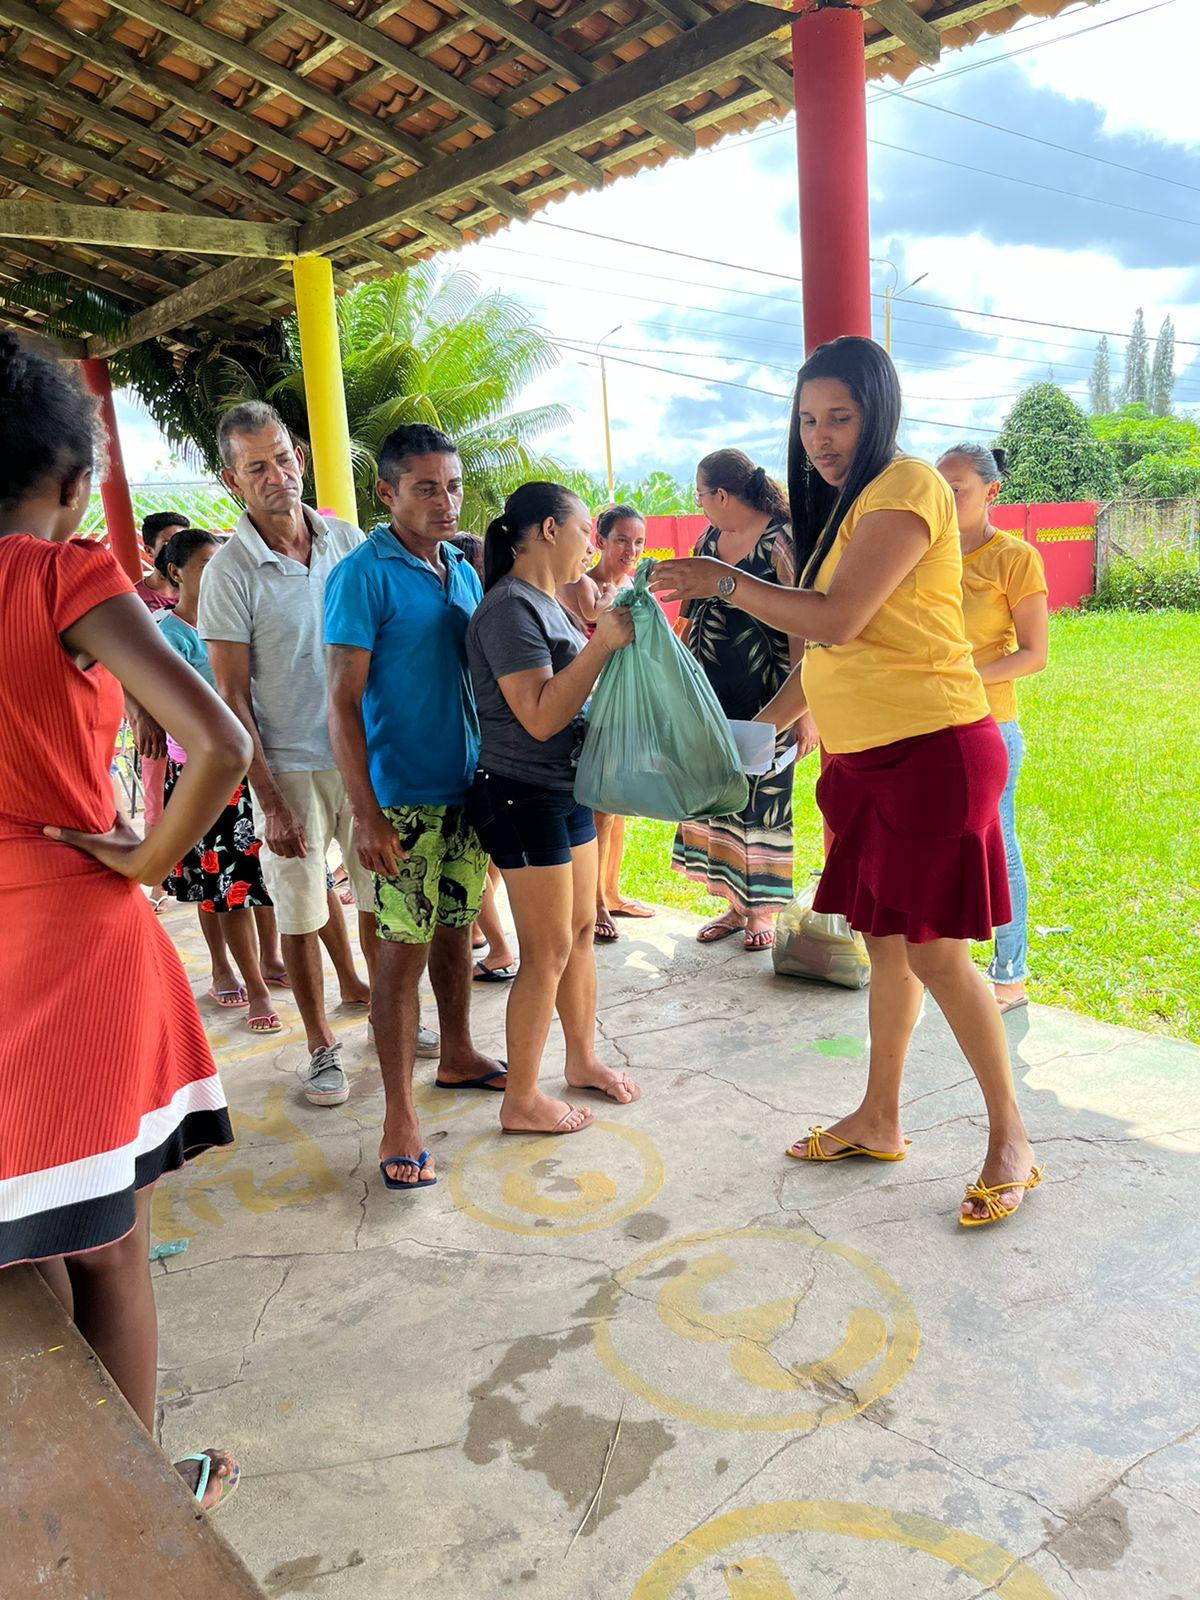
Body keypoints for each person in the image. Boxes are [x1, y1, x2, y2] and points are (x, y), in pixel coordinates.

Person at [652, 337, 1041, 1229]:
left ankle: (1012, 1138)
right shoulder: (850, 508)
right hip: (865, 760)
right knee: (890, 945)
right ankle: (880, 1116)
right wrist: (749, 737)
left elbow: (838, 615)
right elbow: (829, 651)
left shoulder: (909, 487)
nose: (821, 436)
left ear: (878, 414)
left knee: (938, 951)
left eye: (840, 416)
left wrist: (724, 581)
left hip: (935, 749)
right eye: (807, 419)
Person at [0, 331, 245, 1507]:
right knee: (110, 1247)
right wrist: (145, 857)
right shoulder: (62, 575)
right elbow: (221, 743)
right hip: (68, 940)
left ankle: (70, 1515)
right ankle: (147, 1504)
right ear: (64, 478)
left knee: (24, 1255)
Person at [326, 425, 507, 1191]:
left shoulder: (460, 570)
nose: (445, 501)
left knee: (459, 929)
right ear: (387, 492)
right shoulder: (362, 576)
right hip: (399, 801)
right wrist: (363, 815)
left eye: (454, 485)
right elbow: (340, 703)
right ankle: (399, 1115)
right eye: (426, 487)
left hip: (466, 789)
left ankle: (459, 1055)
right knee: (397, 956)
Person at [198, 402, 384, 1109]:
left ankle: (390, 1018)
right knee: (303, 913)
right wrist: (268, 799)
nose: (277, 476)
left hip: (361, 760)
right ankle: (320, 1048)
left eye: (283, 458)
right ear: (231, 481)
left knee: (379, 902)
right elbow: (231, 696)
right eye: (257, 467)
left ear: (299, 456)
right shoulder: (230, 571)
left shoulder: (346, 540)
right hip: (291, 770)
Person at [467, 481, 640, 1136]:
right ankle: (521, 1099)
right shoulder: (510, 609)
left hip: (564, 788)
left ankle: (582, 1060)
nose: (590, 547)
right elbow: (539, 716)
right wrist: (601, 645)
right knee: (544, 952)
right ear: (547, 530)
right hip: (519, 789)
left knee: (575, 936)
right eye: (583, 532)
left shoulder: (547, 603)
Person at [673, 451, 818, 952]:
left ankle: (761, 912)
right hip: (709, 696)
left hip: (770, 694)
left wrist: (803, 712)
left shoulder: (782, 540)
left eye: (700, 495)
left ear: (722, 495)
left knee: (764, 798)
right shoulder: (707, 541)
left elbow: (804, 624)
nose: (700, 505)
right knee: (721, 797)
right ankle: (735, 907)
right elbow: (688, 618)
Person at [155, 528, 283, 1034]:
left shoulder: (237, 618)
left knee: (262, 873)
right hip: (205, 773)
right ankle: (245, 979)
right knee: (222, 885)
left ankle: (270, 961)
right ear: (175, 572)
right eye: (206, 564)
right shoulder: (169, 634)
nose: (219, 573)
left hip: (253, 763)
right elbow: (176, 709)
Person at [938, 443, 1049, 1015]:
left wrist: (966, 680)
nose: (945, 498)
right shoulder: (922, 553)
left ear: (990, 492)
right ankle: (945, 965)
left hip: (986, 724)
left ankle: (1010, 973)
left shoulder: (1014, 557)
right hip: (926, 724)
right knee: (937, 850)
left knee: (997, 847)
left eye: (956, 489)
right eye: (939, 487)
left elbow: (1034, 654)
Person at [566, 505, 656, 944]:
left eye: (638, 542)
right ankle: (595, 902)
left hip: (622, 706)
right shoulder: (581, 584)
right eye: (622, 540)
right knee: (599, 811)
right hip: (586, 706)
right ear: (599, 540)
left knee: (617, 810)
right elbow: (597, 616)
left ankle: (611, 892)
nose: (631, 550)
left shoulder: (629, 585)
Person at [452, 531, 519, 981]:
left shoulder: (489, 611)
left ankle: (497, 947)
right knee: (481, 859)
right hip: (476, 751)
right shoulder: (494, 612)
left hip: (481, 753)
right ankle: (488, 938)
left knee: (479, 861)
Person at [132, 511, 186, 909]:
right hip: (157, 718)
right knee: (157, 799)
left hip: (195, 723)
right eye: (168, 541)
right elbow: (120, 666)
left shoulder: (202, 591)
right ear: (150, 549)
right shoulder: (132, 601)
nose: (176, 549)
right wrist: (140, 716)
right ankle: (158, 881)